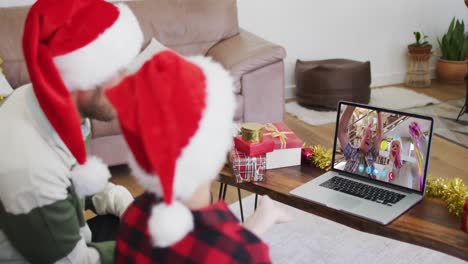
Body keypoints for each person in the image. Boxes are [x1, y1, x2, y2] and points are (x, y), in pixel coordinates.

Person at [106, 50, 291, 263]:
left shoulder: (134, 215)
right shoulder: (245, 254)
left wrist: (261, 220)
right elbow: (230, 251)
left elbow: (212, 245)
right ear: (217, 148)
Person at [0, 0, 144, 263]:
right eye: (118, 70)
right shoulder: (32, 171)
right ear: (84, 77)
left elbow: (78, 180)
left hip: (63, 236)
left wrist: (126, 205)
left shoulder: (50, 106)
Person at [338, 106, 383, 178]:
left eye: (371, 137)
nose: (369, 138)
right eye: (366, 135)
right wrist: (352, 104)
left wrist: (379, 112)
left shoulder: (372, 155)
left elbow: (379, 135)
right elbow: (341, 131)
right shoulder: (352, 152)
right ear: (360, 139)